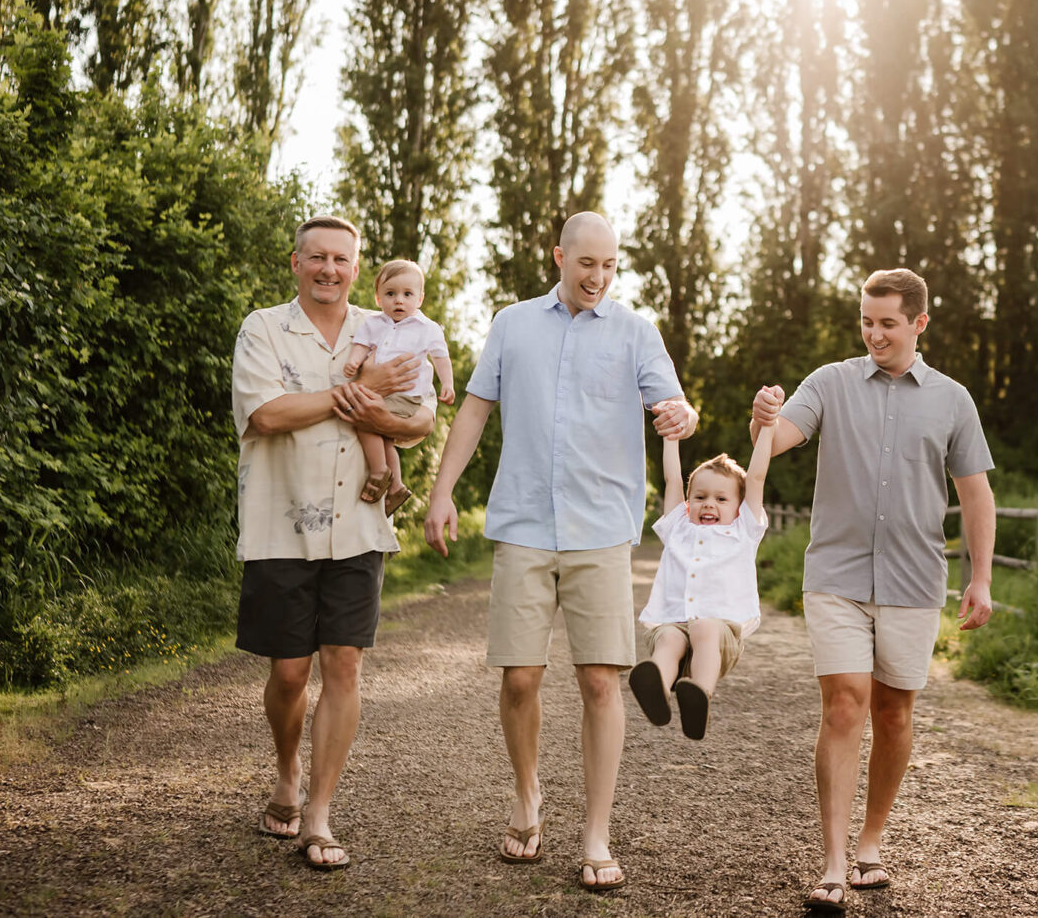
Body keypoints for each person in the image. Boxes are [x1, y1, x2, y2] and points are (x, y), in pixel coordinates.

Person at [423, 211, 698, 894]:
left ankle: (596, 833)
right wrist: (442, 491)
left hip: (600, 528)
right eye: (587, 264)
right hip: (522, 522)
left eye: (609, 265)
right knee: (519, 678)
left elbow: (675, 406)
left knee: (601, 681)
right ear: (559, 257)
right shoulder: (512, 323)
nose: (598, 277)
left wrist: (683, 415)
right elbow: (475, 409)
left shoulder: (636, 331)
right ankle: (527, 795)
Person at [748, 268, 999, 912]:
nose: (874, 334)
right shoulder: (829, 383)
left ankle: (871, 840)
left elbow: (976, 493)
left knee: (893, 714)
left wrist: (980, 577)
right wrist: (763, 420)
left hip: (914, 580)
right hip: (836, 575)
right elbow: (778, 441)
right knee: (844, 706)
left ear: (919, 323)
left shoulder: (953, 400)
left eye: (888, 323)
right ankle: (833, 861)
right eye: (867, 321)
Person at [230, 215, 427, 871]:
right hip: (279, 523)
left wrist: (385, 410)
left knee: (343, 665)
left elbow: (422, 418)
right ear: (296, 262)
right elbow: (266, 414)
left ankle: (317, 813)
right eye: (317, 257)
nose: (329, 269)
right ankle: (287, 769)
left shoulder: (386, 326)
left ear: (357, 267)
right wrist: (362, 391)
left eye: (341, 259)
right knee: (289, 672)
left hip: (359, 526)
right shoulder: (262, 328)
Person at [627, 426, 773, 739]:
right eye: (700, 497)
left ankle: (699, 695)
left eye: (721, 498)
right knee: (668, 637)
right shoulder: (678, 528)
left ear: (739, 506)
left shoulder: (743, 531)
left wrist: (768, 427)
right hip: (675, 626)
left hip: (720, 637)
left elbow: (757, 477)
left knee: (704, 626)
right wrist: (671, 437)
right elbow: (672, 480)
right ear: (688, 503)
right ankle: (659, 689)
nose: (709, 504)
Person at [340, 258, 455, 512]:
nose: (399, 301)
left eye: (407, 294)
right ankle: (397, 486)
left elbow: (440, 357)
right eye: (390, 294)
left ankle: (379, 471)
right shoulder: (373, 324)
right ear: (378, 298)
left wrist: (447, 383)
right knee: (384, 437)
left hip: (407, 395)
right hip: (382, 393)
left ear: (420, 299)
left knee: (364, 419)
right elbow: (361, 344)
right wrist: (354, 360)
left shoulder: (427, 328)